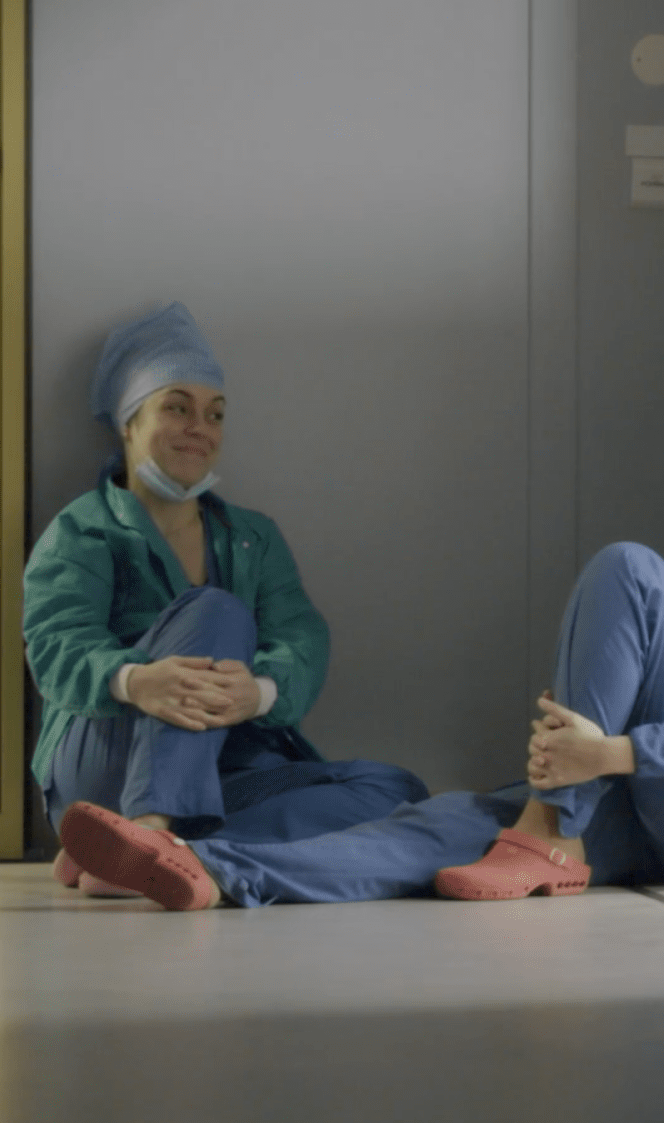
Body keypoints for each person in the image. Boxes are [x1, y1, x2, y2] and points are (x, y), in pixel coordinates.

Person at [55, 373, 664, 911]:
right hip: (642, 802)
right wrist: (580, 732)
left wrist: (607, 753)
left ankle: (550, 825)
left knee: (628, 568)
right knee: (451, 822)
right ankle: (205, 869)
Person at [24, 303, 428, 894]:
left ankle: (162, 853)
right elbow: (56, 645)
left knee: (394, 791)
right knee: (215, 610)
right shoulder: (83, 531)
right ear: (128, 423)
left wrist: (257, 693)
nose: (200, 427)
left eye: (214, 414)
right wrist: (136, 681)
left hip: (223, 774)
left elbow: (302, 639)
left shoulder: (252, 537)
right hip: (106, 762)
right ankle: (148, 826)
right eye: (177, 407)